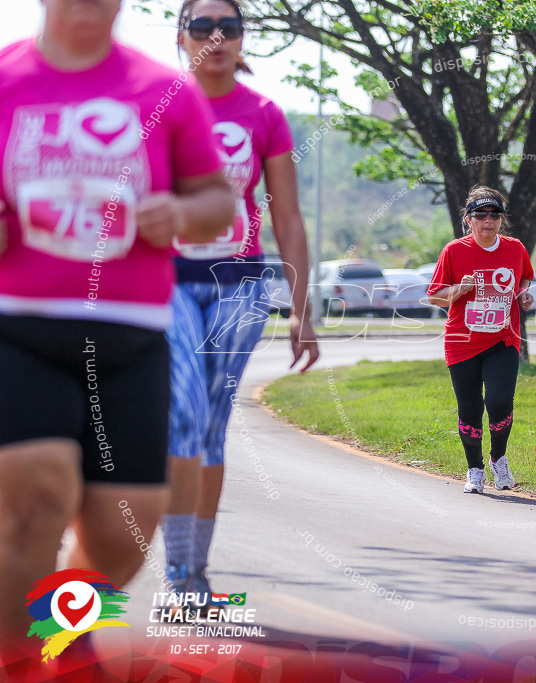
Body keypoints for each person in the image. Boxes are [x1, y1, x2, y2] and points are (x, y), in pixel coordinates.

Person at [0, 0, 233, 640]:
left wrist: (183, 216)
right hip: (18, 328)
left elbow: (218, 198)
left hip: (130, 339)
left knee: (121, 537)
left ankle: (54, 639)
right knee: (35, 494)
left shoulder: (164, 91)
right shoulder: (5, 80)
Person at [162, 0, 320, 599]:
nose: (216, 37)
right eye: (202, 27)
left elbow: (289, 217)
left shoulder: (264, 113)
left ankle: (195, 568)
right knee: (182, 416)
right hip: (168, 281)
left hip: (240, 285)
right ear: (182, 36)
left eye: (229, 27)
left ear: (243, 39)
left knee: (210, 429)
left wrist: (302, 310)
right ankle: (178, 573)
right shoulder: (155, 104)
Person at [427, 186, 534, 494]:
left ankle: (498, 458)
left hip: (504, 339)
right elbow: (435, 296)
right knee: (470, 408)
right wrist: (460, 289)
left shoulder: (515, 248)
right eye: (481, 216)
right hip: (462, 342)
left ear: (502, 219)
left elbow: (525, 276)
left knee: (499, 401)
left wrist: (523, 294)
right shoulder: (454, 251)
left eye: (495, 215)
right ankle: (474, 468)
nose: (488, 222)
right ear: (469, 219)